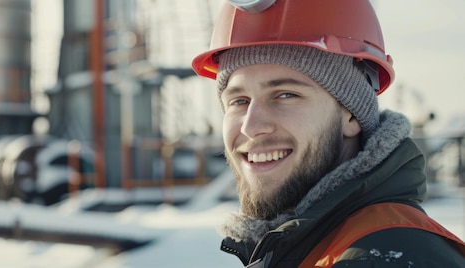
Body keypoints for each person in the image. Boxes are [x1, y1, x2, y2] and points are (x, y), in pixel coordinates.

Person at [191, 0, 465, 267]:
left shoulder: (389, 256)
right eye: (239, 101)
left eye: (286, 94)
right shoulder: (312, 246)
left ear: (350, 114)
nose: (251, 126)